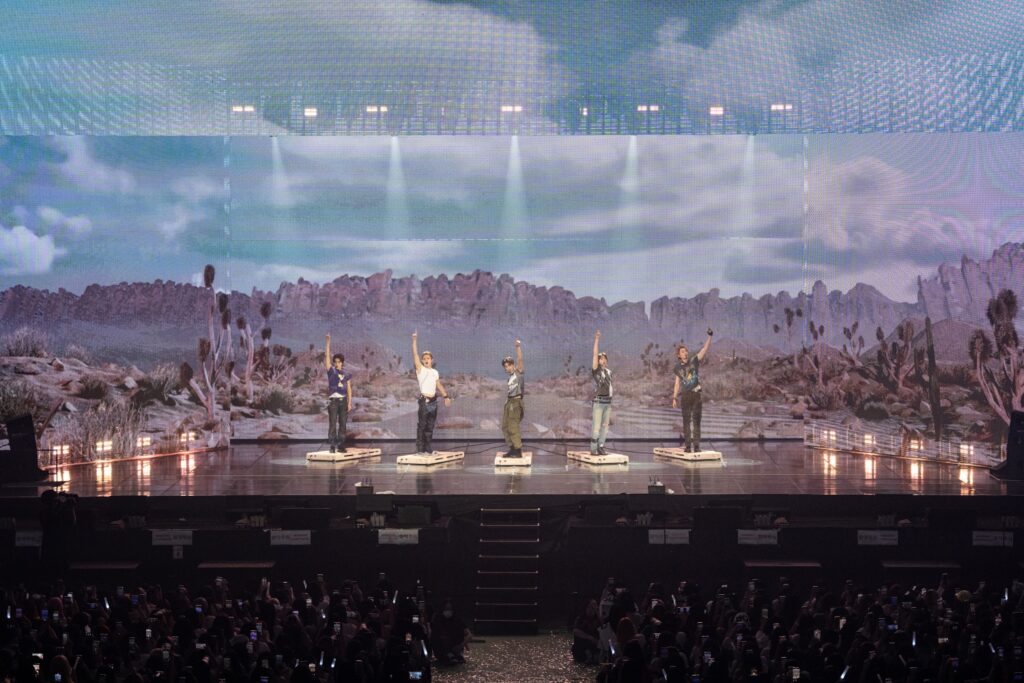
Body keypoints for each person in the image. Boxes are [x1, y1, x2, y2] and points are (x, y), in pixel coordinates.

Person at [671, 328, 712, 452]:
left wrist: (710, 336)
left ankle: (697, 446)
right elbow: (677, 383)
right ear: (679, 355)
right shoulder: (677, 368)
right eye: (683, 352)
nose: (685, 353)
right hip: (685, 396)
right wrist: (674, 397)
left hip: (696, 395)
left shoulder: (693, 360)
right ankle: (688, 446)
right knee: (686, 422)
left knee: (696, 421)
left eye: (686, 351)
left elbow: (704, 349)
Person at [411, 331, 452, 455]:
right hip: (424, 401)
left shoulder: (435, 372)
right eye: (424, 359)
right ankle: (420, 449)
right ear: (422, 361)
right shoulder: (420, 369)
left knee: (430, 426)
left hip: (433, 402)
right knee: (422, 426)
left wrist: (446, 396)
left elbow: (438, 385)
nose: (426, 360)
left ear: (431, 360)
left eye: (428, 358)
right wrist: (414, 340)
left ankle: (427, 447)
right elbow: (415, 354)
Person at [324, 334, 353, 453]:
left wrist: (349, 403)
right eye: (335, 362)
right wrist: (328, 342)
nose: (337, 364)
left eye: (339, 362)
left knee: (342, 424)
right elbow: (326, 357)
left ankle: (340, 445)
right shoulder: (331, 371)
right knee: (332, 424)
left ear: (342, 363)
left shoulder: (347, 374)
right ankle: (332, 445)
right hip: (333, 402)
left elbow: (349, 389)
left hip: (343, 401)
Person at [500, 339, 525, 457]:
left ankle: (518, 450)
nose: (507, 368)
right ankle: (512, 448)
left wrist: (517, 347)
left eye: (508, 365)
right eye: (505, 366)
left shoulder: (518, 372)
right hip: (509, 402)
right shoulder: (510, 377)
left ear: (513, 365)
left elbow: (520, 359)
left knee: (513, 426)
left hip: (516, 402)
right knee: (505, 426)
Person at [590, 330, 613, 455]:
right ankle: (593, 448)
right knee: (596, 427)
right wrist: (597, 339)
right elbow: (595, 354)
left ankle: (601, 446)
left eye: (605, 359)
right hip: (599, 402)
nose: (603, 360)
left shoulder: (609, 372)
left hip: (607, 403)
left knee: (605, 427)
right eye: (601, 359)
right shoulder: (596, 370)